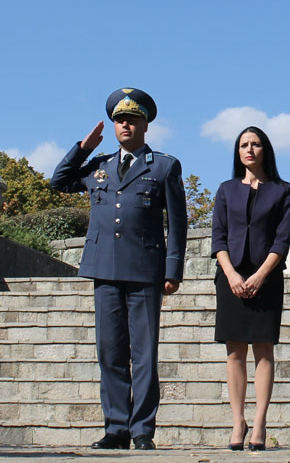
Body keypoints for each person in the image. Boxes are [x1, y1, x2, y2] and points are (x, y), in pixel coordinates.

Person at [50, 87, 186, 451]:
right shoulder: (99, 166)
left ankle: (142, 430)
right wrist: (83, 148)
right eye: (120, 120)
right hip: (105, 269)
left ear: (145, 125)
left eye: (133, 120)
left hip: (144, 270)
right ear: (113, 126)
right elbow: (58, 182)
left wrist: (173, 270)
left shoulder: (164, 165)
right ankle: (116, 428)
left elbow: (178, 223)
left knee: (143, 354)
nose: (126, 125)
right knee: (110, 352)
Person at [210, 126, 290, 452]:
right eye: (244, 144)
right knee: (234, 351)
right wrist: (231, 274)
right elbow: (218, 237)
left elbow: (282, 240)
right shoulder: (226, 189)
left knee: (263, 349)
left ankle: (259, 422)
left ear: (265, 150)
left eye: (256, 144)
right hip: (230, 277)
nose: (249, 149)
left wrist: (260, 275)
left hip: (267, 277)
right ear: (238, 151)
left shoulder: (283, 191)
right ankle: (238, 421)